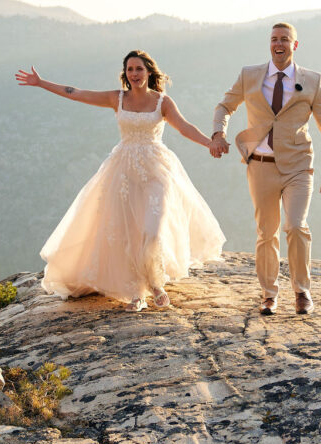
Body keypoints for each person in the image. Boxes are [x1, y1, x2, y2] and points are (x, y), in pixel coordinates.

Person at [16, 51, 226, 310]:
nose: (134, 74)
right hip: (123, 171)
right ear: (125, 74)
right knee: (129, 233)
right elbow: (76, 92)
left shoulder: (163, 102)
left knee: (152, 230)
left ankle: (156, 281)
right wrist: (41, 82)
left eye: (139, 69)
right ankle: (137, 292)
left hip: (157, 170)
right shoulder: (117, 98)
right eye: (130, 70)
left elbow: (184, 127)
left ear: (149, 72)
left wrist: (210, 143)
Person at [210, 22, 321, 315]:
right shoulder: (250, 75)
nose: (278, 44)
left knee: (295, 226)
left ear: (295, 45)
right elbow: (224, 107)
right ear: (269, 44)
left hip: (298, 165)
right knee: (266, 232)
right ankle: (269, 294)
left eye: (284, 39)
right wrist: (218, 133)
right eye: (273, 39)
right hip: (261, 166)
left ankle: (302, 291)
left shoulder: (312, 80)